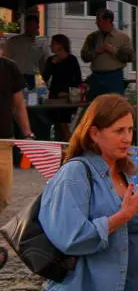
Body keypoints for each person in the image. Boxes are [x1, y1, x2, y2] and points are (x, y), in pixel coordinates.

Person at [39, 93, 138, 291]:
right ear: (94, 133)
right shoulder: (75, 174)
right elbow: (70, 238)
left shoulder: (125, 173)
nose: (127, 138)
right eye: (119, 131)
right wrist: (121, 217)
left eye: (130, 130)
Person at [0, 54, 34, 216]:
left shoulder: (9, 67)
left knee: (3, 195)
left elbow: (19, 105)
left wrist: (27, 134)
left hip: (3, 140)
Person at [81, 9, 134, 100]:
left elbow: (130, 57)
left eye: (99, 20)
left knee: (113, 105)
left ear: (108, 20)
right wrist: (95, 52)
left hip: (114, 77)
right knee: (95, 105)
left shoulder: (122, 37)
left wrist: (114, 51)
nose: (96, 23)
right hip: (96, 78)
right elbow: (84, 56)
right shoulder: (92, 37)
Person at [42, 33, 84, 140]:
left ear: (60, 45)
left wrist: (69, 93)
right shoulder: (51, 60)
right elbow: (45, 77)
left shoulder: (71, 59)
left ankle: (70, 145)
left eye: (53, 44)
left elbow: (78, 79)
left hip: (67, 97)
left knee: (64, 124)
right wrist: (51, 64)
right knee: (56, 124)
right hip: (54, 95)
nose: (50, 46)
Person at [5, 12, 50, 89]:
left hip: (32, 77)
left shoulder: (42, 43)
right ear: (25, 26)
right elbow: (7, 60)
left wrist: (46, 81)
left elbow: (43, 63)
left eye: (32, 26)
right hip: (16, 75)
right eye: (28, 26)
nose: (30, 28)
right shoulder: (13, 41)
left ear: (37, 26)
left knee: (31, 98)